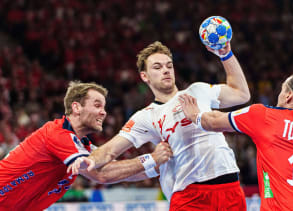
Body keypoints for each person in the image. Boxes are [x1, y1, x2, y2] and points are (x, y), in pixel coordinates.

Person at [69, 40, 250, 210]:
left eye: (169, 66)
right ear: (144, 76)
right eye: (157, 67)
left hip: (230, 187)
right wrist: (90, 160)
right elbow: (110, 150)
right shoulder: (146, 116)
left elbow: (241, 94)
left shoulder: (198, 90)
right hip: (191, 196)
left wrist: (226, 55)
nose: (166, 70)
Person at [0, 81, 172, 210]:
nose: (103, 112)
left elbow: (118, 171)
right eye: (97, 105)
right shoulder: (57, 133)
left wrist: (160, 166)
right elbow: (102, 174)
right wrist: (152, 158)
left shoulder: (83, 146)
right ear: (76, 107)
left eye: (104, 107)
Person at [179, 73, 293, 211]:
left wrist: (195, 115)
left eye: (282, 90)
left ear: (289, 95)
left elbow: (213, 121)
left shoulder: (267, 116)